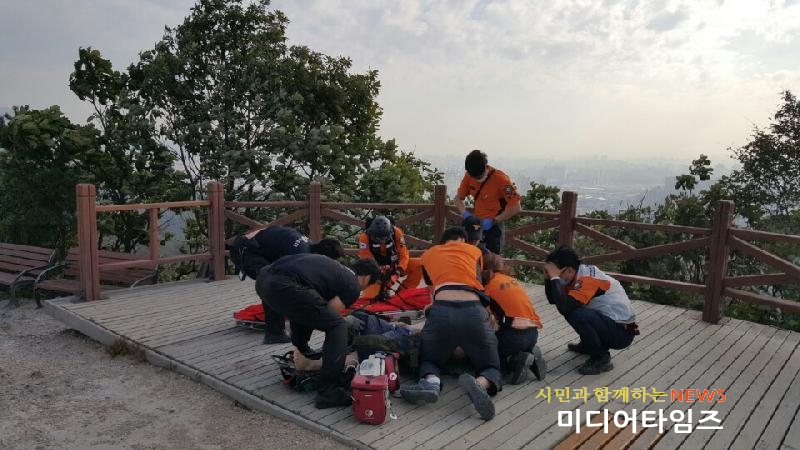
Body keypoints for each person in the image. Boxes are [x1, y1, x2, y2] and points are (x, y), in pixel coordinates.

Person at [399, 227, 501, 421]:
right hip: (473, 310)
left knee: (429, 360)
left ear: (442, 242)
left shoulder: (429, 254)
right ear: (463, 240)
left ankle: (431, 382)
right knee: (491, 366)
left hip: (442, 310)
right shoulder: (474, 251)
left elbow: (432, 291)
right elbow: (478, 282)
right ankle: (481, 383)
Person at [255, 254, 380, 408]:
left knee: (307, 306)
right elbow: (330, 314)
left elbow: (312, 310)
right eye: (367, 286)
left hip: (263, 279)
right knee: (338, 327)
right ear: (367, 278)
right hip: (285, 286)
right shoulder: (353, 285)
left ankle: (302, 351)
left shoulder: (337, 268)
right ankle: (328, 391)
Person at [227, 226, 345, 344]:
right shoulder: (301, 254)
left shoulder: (308, 246)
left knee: (279, 283)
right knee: (273, 285)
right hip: (245, 251)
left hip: (251, 245)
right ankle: (274, 333)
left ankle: (281, 328)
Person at [543, 246, 639, 375]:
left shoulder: (588, 279)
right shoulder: (574, 274)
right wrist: (549, 278)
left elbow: (564, 307)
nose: (555, 276)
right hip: (611, 324)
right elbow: (553, 299)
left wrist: (554, 278)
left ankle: (601, 358)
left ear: (569, 270)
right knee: (572, 307)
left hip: (622, 333)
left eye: (555, 272)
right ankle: (589, 345)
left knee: (574, 312)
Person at [482, 253, 546, 384]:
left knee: (490, 350)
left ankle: (516, 363)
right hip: (533, 333)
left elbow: (484, 318)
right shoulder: (512, 280)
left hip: (513, 337)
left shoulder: (488, 287)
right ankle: (530, 353)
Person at [455, 150, 522, 254]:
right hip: (475, 226)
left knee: (491, 259)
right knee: (470, 255)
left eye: (479, 176)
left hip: (494, 226)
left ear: (485, 166)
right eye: (474, 177)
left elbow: (516, 207)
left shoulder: (501, 180)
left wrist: (494, 220)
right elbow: (458, 198)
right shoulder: (469, 176)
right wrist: (464, 213)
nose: (477, 179)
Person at [358, 215, 424, 299]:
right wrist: (379, 273)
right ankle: (382, 289)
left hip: (395, 266)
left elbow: (404, 255)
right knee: (370, 299)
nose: (382, 242)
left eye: (384, 238)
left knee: (419, 264)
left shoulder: (397, 232)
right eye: (378, 239)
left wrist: (399, 270)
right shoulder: (364, 237)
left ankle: (403, 293)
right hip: (376, 272)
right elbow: (366, 259)